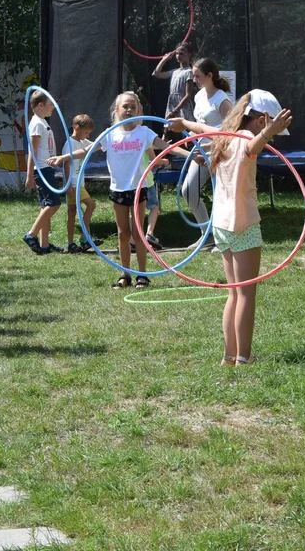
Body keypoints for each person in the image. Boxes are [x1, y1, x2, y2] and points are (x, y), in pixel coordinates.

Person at [169, 90, 292, 366]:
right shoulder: (247, 139)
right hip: (244, 224)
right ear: (261, 120)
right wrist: (268, 134)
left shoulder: (225, 137)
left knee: (234, 292)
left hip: (222, 225)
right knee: (246, 293)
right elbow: (253, 146)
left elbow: (201, 127)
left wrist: (183, 124)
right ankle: (244, 357)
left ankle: (229, 355)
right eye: (266, 124)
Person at [101, 91, 169, 290]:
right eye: (125, 106)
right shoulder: (110, 133)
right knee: (123, 234)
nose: (129, 110)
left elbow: (165, 147)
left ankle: (142, 275)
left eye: (133, 107)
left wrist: (191, 154)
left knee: (138, 234)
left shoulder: (144, 132)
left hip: (138, 190)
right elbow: (89, 150)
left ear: (139, 111)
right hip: (118, 189)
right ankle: (125, 274)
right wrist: (64, 158)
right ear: (117, 110)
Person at [183, 58, 234, 249]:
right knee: (188, 190)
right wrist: (194, 142)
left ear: (210, 76)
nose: (194, 80)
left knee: (223, 195)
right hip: (200, 152)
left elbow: (231, 132)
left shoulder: (221, 99)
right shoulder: (199, 97)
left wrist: (206, 148)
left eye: (197, 76)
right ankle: (207, 234)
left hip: (220, 153)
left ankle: (225, 238)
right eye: (193, 76)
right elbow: (199, 126)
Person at [22, 91, 62, 254]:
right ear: (40, 105)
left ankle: (45, 245)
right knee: (54, 203)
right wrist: (30, 175)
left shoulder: (41, 122)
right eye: (50, 104)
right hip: (42, 168)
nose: (53, 107)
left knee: (46, 205)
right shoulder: (37, 123)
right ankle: (31, 235)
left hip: (47, 167)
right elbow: (33, 150)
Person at [59, 114, 97, 254]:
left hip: (79, 182)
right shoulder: (70, 143)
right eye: (86, 132)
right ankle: (84, 237)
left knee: (72, 212)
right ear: (77, 128)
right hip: (74, 184)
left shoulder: (82, 142)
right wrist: (68, 185)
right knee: (91, 205)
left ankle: (71, 243)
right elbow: (66, 165)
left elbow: (95, 145)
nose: (87, 135)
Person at [156, 42, 196, 125]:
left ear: (189, 54)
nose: (178, 56)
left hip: (182, 106)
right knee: (167, 128)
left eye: (181, 53)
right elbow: (156, 74)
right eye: (177, 54)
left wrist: (175, 110)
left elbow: (188, 95)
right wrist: (164, 59)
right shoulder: (174, 72)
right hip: (171, 105)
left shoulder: (189, 72)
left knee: (185, 129)